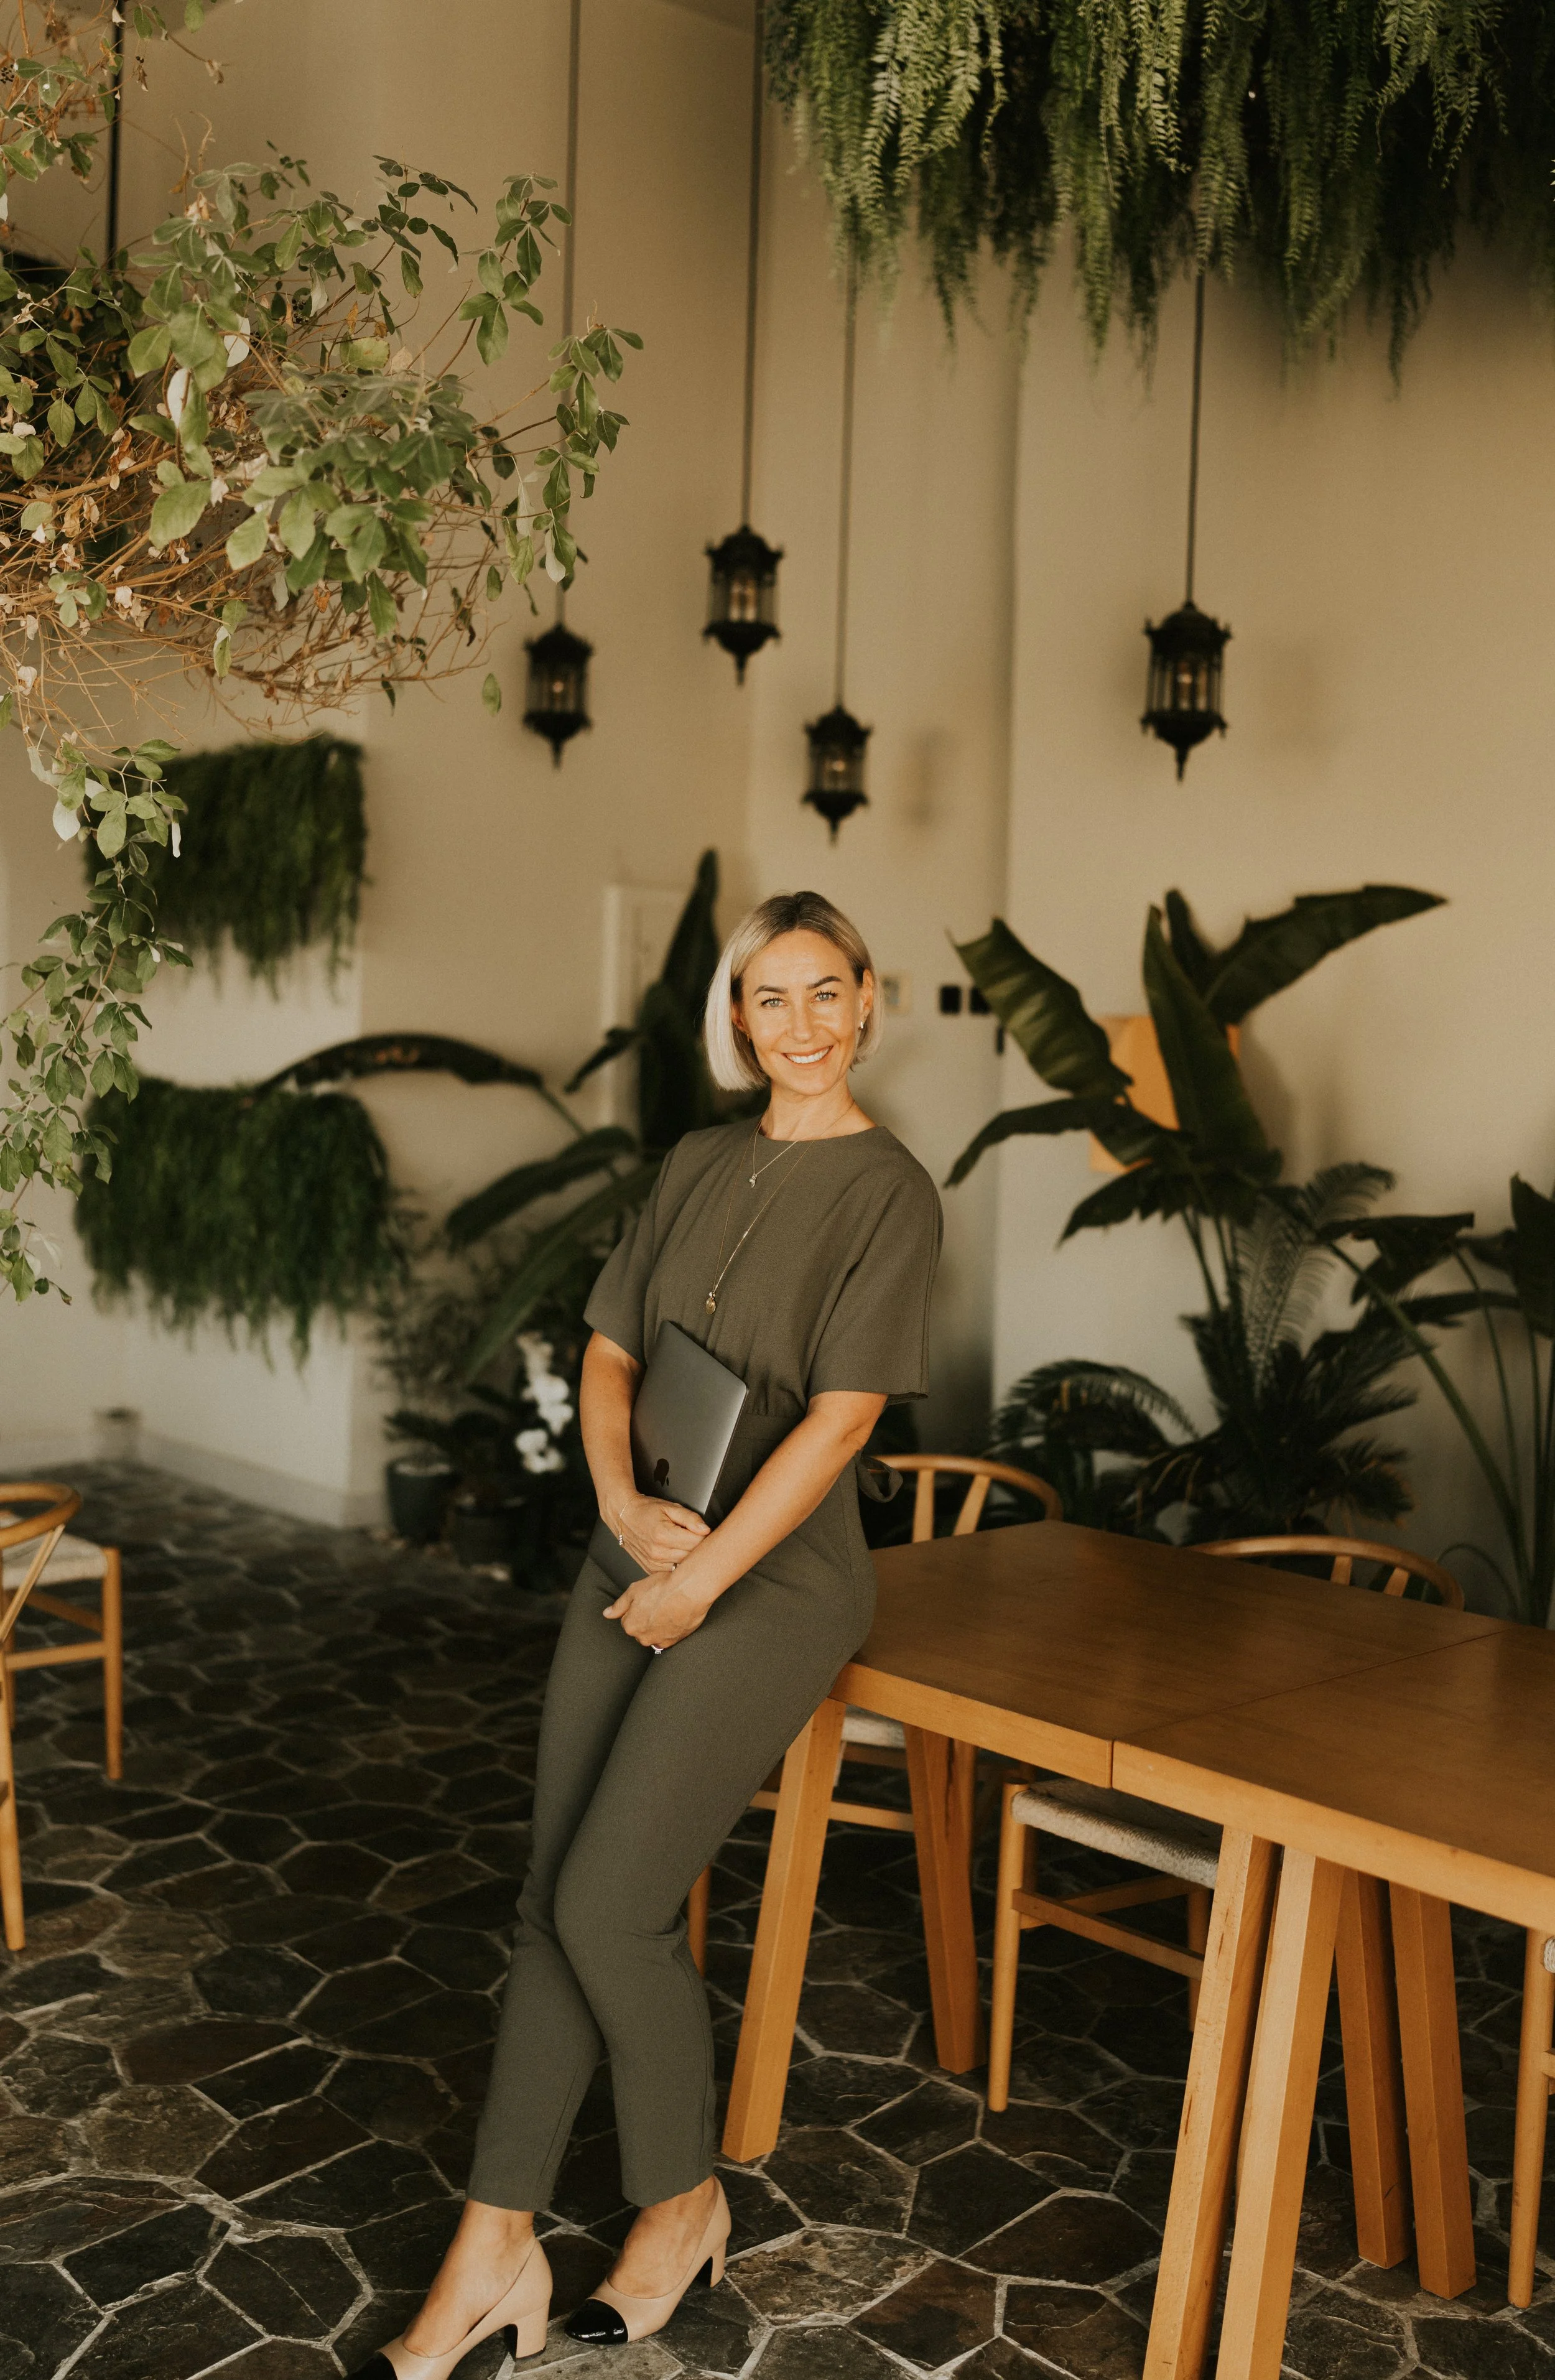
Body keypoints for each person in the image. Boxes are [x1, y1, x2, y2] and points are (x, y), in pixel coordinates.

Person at [353, 890, 942, 2378]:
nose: (797, 1024)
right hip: (638, 1547)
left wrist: (700, 1581)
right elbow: (611, 1350)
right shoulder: (692, 1160)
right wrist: (618, 1504)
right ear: (732, 1017)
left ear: (866, 999)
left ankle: (677, 2201)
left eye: (823, 993)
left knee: (609, 1902)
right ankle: (494, 2241)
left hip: (774, 1585)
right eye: (767, 997)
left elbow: (841, 1421)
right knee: (553, 1891)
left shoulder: (891, 1190)